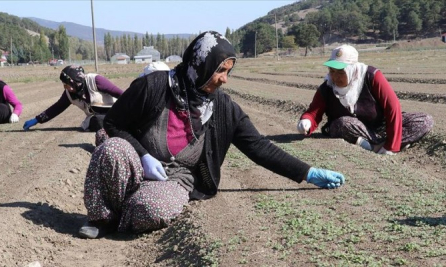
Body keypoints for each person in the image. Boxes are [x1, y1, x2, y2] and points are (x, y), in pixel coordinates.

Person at [79, 31, 346, 239]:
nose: (225, 79)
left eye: (228, 71)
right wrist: (144, 155)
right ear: (200, 64)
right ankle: (103, 219)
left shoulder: (223, 109)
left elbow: (259, 147)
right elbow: (113, 123)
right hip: (138, 164)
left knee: (152, 209)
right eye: (220, 70)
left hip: (175, 179)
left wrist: (308, 173)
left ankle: (127, 209)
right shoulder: (154, 86)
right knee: (111, 147)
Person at [297, 44, 434, 155]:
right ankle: (378, 146)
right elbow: (313, 112)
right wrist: (306, 121)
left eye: (340, 72)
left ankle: (377, 145)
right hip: (351, 127)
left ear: (352, 70)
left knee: (424, 120)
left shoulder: (371, 76)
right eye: (332, 71)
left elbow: (392, 107)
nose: (335, 77)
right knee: (343, 123)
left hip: (379, 126)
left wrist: (391, 146)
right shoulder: (327, 88)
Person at [22, 65, 123, 134]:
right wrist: (37, 119)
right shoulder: (69, 94)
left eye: (67, 84)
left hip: (114, 112)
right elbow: (57, 108)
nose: (66, 87)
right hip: (97, 118)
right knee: (97, 121)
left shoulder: (95, 80)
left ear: (76, 81)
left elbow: (120, 94)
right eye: (64, 85)